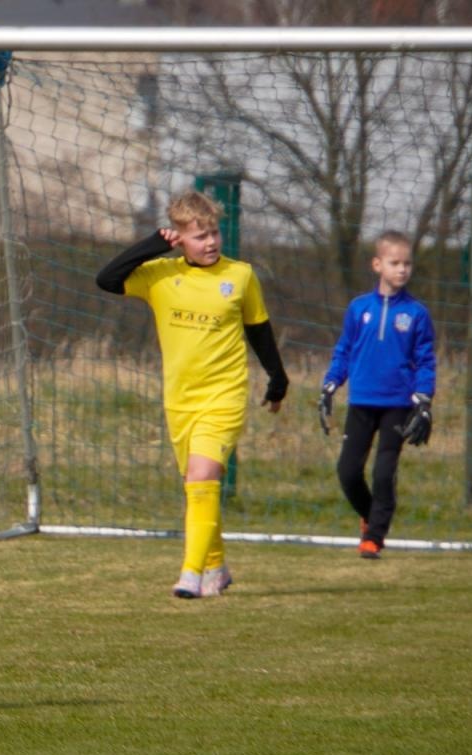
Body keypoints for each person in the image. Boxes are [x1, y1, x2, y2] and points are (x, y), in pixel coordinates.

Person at [95, 190, 289, 598]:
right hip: (180, 399)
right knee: (196, 486)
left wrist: (277, 380)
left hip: (225, 395)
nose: (212, 242)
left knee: (202, 477)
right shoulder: (159, 276)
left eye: (214, 232)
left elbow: (260, 332)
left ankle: (191, 573)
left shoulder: (240, 276)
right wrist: (152, 244)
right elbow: (107, 279)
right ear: (179, 239)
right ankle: (217, 567)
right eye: (200, 236)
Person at [318, 231, 437, 559]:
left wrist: (424, 398)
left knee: (384, 473)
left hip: (397, 405)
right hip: (361, 403)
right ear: (377, 264)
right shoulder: (359, 309)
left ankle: (374, 537)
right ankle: (369, 516)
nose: (402, 270)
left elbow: (426, 361)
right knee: (348, 472)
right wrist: (331, 383)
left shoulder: (416, 313)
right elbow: (344, 351)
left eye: (407, 263)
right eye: (395, 263)